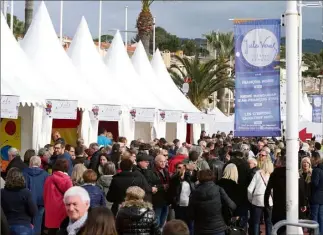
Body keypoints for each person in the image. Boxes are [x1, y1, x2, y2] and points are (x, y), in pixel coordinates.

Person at [188, 169, 236, 235]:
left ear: (199, 178)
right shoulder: (219, 189)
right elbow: (232, 206)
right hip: (218, 228)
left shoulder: (194, 193)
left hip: (201, 229)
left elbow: (190, 214)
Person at [1, 168, 37, 235]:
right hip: (24, 226)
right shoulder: (26, 192)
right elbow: (34, 211)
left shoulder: (2, 193)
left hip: (7, 226)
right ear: (22, 178)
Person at [44, 159, 73, 235]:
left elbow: (45, 194)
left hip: (50, 208)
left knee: (52, 230)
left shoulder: (49, 178)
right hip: (63, 210)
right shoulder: (67, 179)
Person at [22, 156, 49, 235]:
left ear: (30, 163)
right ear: (40, 164)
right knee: (38, 221)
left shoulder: (23, 173)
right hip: (41, 201)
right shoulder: (45, 174)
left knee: (27, 221)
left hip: (26, 200)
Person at [248, 160, 274, 235]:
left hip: (257, 199)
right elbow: (273, 190)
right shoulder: (272, 175)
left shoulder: (257, 174)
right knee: (268, 222)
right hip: (269, 200)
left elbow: (249, 189)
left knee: (256, 222)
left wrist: (251, 199)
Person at [168, 162, 194, 231]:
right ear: (176, 169)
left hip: (189, 205)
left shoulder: (189, 177)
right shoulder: (174, 179)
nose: (182, 169)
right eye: (179, 168)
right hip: (179, 205)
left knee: (190, 224)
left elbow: (195, 178)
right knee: (180, 225)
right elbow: (172, 191)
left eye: (183, 167)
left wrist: (191, 169)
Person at [310, 151, 323, 234]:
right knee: (321, 218)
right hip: (321, 197)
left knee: (314, 219)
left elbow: (315, 183)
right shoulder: (321, 169)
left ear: (314, 158)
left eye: (311, 157)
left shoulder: (316, 170)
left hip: (315, 197)